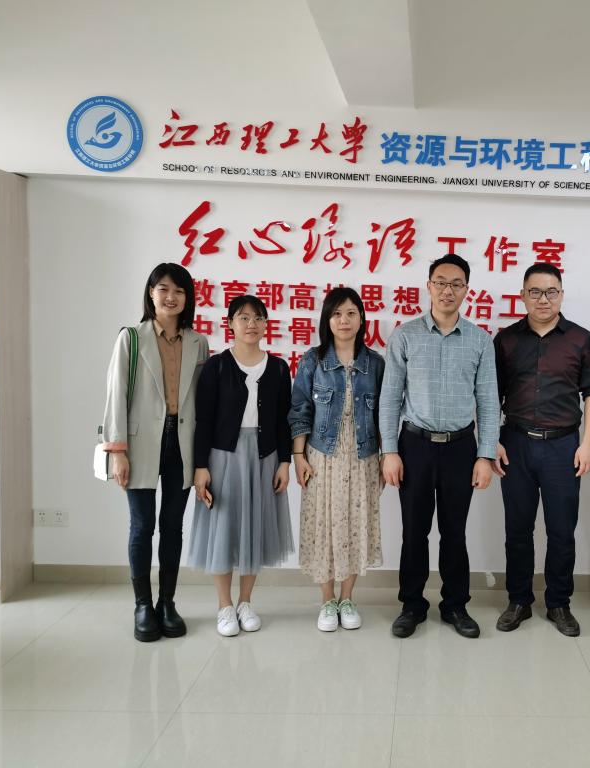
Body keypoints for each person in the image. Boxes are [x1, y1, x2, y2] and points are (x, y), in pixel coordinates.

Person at [379, 253, 500, 639]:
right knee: (413, 532)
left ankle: (455, 605)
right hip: (414, 446)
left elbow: (488, 402)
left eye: (456, 284)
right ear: (429, 287)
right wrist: (389, 451)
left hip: (461, 449)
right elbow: (389, 398)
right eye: (441, 283)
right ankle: (412, 605)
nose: (448, 290)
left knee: (454, 532)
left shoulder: (480, 341)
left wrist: (485, 455)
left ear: (466, 290)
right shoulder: (405, 336)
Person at [491, 262, 590, 636]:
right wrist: (492, 441)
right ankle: (519, 600)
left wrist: (589, 443)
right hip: (516, 444)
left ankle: (558, 603)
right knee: (517, 529)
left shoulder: (580, 339)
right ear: (523, 295)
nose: (543, 299)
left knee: (561, 530)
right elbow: (490, 394)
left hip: (564, 447)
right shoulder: (506, 340)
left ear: (561, 295)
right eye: (535, 292)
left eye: (551, 291)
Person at [102, 263, 209, 642]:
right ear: (151, 293)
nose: (171, 297)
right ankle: (142, 605)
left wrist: (203, 458)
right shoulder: (131, 338)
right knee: (142, 525)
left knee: (173, 526)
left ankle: (167, 603)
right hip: (140, 442)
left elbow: (202, 402)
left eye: (179, 291)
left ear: (187, 298)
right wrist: (118, 450)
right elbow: (116, 394)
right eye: (163, 289)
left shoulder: (198, 343)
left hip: (182, 441)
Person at [190, 295, 294, 637]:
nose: (252, 324)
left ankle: (245, 602)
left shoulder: (278, 368)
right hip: (223, 457)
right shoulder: (216, 366)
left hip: (264, 456)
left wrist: (284, 461)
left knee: (255, 527)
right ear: (231, 323)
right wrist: (201, 466)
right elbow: (203, 420)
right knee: (223, 527)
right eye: (244, 317)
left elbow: (284, 420)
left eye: (258, 318)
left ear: (266, 325)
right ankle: (224, 605)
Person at [289, 287, 385, 632]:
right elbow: (299, 409)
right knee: (324, 528)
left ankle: (347, 598)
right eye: (337, 314)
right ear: (327, 320)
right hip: (322, 456)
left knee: (356, 526)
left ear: (361, 319)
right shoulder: (312, 360)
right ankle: (327, 600)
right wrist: (298, 455)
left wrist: (386, 456)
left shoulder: (375, 364)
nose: (344, 320)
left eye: (351, 313)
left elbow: (386, 414)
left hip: (363, 456)